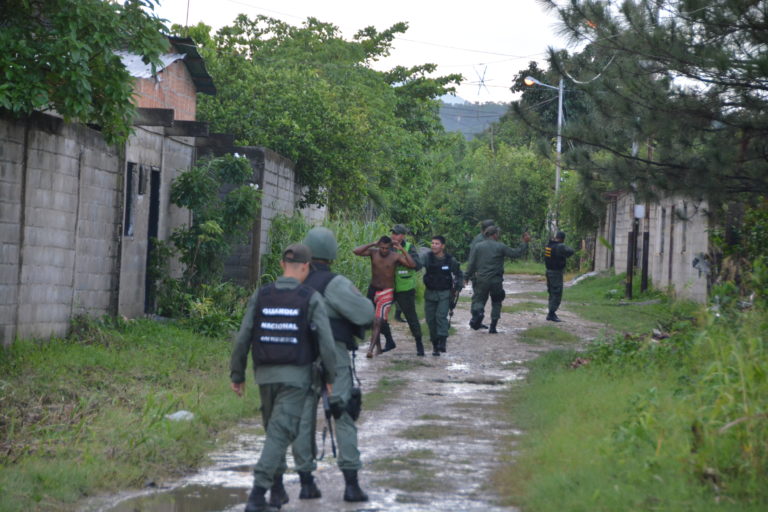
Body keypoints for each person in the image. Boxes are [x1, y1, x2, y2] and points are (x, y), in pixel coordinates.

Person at [230, 243, 337, 512]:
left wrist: (237, 374)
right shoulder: (310, 297)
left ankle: (277, 492)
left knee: (273, 430)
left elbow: (243, 336)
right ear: (305, 267)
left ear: (281, 265)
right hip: (296, 379)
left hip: (264, 376)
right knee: (278, 434)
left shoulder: (262, 295)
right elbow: (326, 341)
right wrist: (330, 376)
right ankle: (256, 496)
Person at [287, 227, 373, 503]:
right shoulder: (335, 284)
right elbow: (366, 312)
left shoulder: (293, 283)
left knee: (302, 420)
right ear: (332, 255)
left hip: (299, 356)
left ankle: (306, 483)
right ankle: (351, 485)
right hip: (333, 356)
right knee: (343, 415)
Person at [353, 235, 416, 358]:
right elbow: (356, 251)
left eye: (387, 248)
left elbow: (412, 264)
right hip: (373, 290)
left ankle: (370, 350)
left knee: (378, 321)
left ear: (390, 247)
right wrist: (372, 243)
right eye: (382, 247)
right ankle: (379, 348)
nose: (384, 250)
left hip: (386, 292)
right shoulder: (373, 252)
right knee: (373, 320)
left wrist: (401, 249)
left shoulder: (395, 256)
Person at [465, 226, 531, 334]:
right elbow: (515, 253)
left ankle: (480, 313)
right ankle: (493, 327)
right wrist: (524, 242)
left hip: (482, 279)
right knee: (496, 301)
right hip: (496, 280)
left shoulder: (478, 247)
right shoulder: (500, 246)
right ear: (494, 234)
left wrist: (466, 277)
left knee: (479, 300)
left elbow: (471, 264)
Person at [381, 224, 424, 356]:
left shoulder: (409, 247)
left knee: (411, 317)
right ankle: (389, 341)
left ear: (403, 235)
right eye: (392, 233)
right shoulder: (386, 246)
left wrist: (401, 256)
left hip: (405, 288)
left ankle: (419, 344)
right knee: (379, 316)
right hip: (388, 286)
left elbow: (417, 265)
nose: (394, 235)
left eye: (397, 233)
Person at [422, 235, 463, 356]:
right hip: (430, 293)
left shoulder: (450, 260)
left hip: (445, 293)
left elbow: (459, 274)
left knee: (441, 317)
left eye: (437, 243)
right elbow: (416, 264)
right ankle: (435, 344)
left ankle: (443, 342)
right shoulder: (427, 258)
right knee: (430, 320)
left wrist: (457, 288)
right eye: (432, 243)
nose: (434, 245)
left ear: (443, 246)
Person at [467, 219, 495, 329]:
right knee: (478, 298)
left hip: (483, 273)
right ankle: (475, 319)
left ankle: (478, 320)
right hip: (478, 274)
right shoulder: (478, 241)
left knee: (482, 298)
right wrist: (471, 274)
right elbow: (472, 259)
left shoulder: (485, 239)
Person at [544, 230, 575, 322]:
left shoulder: (549, 245)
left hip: (548, 271)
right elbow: (570, 252)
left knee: (552, 292)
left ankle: (551, 312)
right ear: (562, 239)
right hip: (556, 273)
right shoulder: (560, 246)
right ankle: (551, 313)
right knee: (557, 293)